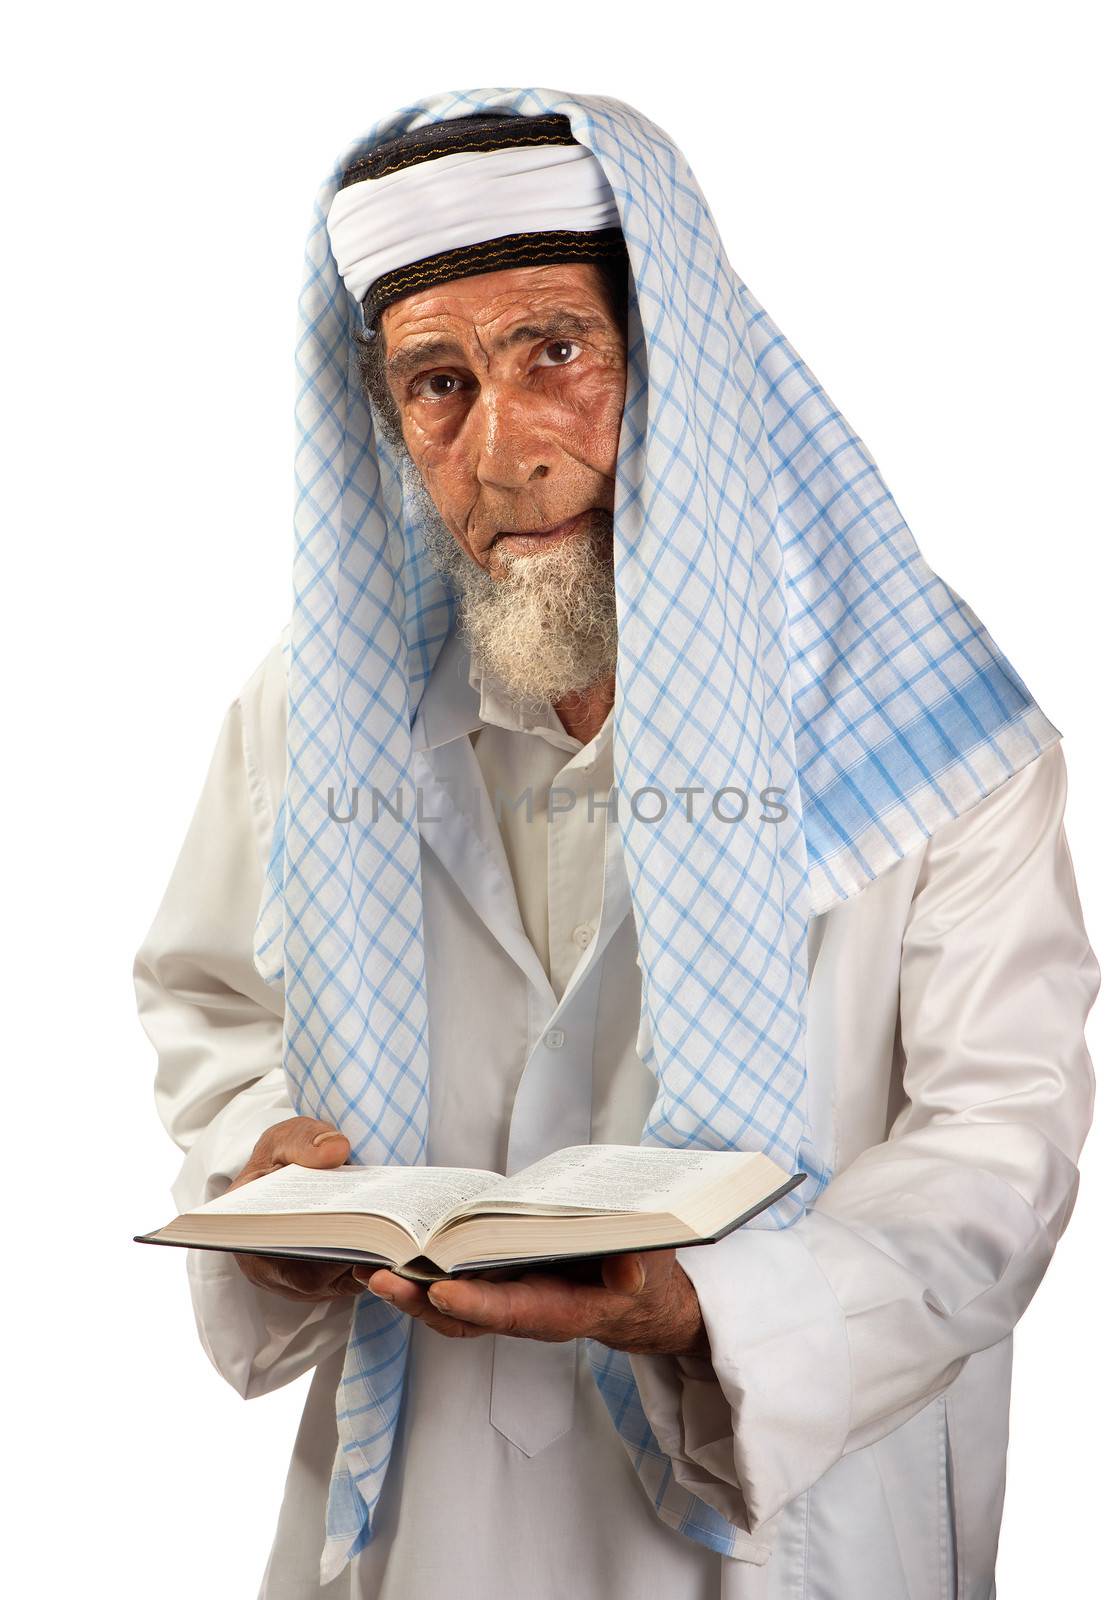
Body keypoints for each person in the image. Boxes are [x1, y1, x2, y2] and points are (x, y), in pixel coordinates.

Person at [133, 90, 1098, 1599]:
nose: (503, 445)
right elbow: (211, 1007)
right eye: (435, 382)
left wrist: (706, 1306)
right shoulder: (315, 703)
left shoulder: (921, 719)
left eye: (556, 353)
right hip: (423, 1503)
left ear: (679, 363)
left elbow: (1002, 1144)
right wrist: (262, 1181)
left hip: (788, 1511)